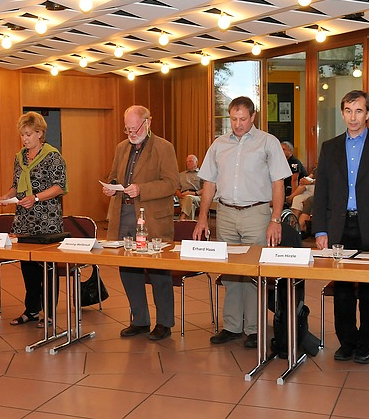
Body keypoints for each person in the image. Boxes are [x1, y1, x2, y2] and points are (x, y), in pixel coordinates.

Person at [193, 96, 291, 348]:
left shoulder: (268, 142)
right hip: (225, 213)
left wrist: (276, 219)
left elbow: (278, 184)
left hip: (256, 213)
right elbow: (209, 183)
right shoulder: (219, 144)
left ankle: (254, 329)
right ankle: (232, 326)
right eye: (234, 119)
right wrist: (202, 218)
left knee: (253, 273)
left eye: (243, 119)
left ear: (253, 116)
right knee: (231, 273)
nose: (238, 124)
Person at [313, 90, 369, 364]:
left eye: (359, 111)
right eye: (348, 111)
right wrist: (320, 230)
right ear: (342, 113)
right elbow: (321, 192)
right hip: (339, 228)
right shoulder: (329, 147)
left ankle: (367, 343)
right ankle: (347, 342)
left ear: (368, 114)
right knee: (341, 289)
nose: (353, 117)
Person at [103, 105, 179, 341]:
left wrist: (141, 189)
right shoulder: (121, 148)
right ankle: (140, 320)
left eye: (134, 128)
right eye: (127, 129)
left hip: (153, 218)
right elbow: (114, 175)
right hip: (124, 215)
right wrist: (111, 186)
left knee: (158, 272)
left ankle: (164, 322)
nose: (131, 133)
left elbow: (171, 183)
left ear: (148, 122)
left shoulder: (164, 147)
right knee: (128, 270)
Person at [0, 112, 67, 328]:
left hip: (46, 220)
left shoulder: (53, 156)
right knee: (28, 267)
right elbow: (16, 184)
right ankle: (31, 310)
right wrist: (7, 196)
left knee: (47, 268)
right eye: (22, 135)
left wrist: (35, 197)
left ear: (40, 133)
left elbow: (59, 187)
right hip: (24, 219)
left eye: (28, 134)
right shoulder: (19, 157)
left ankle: (49, 313)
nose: (25, 139)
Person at [176, 154, 202, 220]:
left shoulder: (202, 174)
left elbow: (206, 189)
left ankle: (182, 217)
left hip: (197, 197)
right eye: (187, 162)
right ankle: (188, 223)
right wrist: (181, 195)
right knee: (191, 205)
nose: (188, 163)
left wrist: (194, 193)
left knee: (189, 198)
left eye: (190, 161)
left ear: (196, 162)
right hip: (183, 197)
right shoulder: (181, 175)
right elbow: (176, 189)